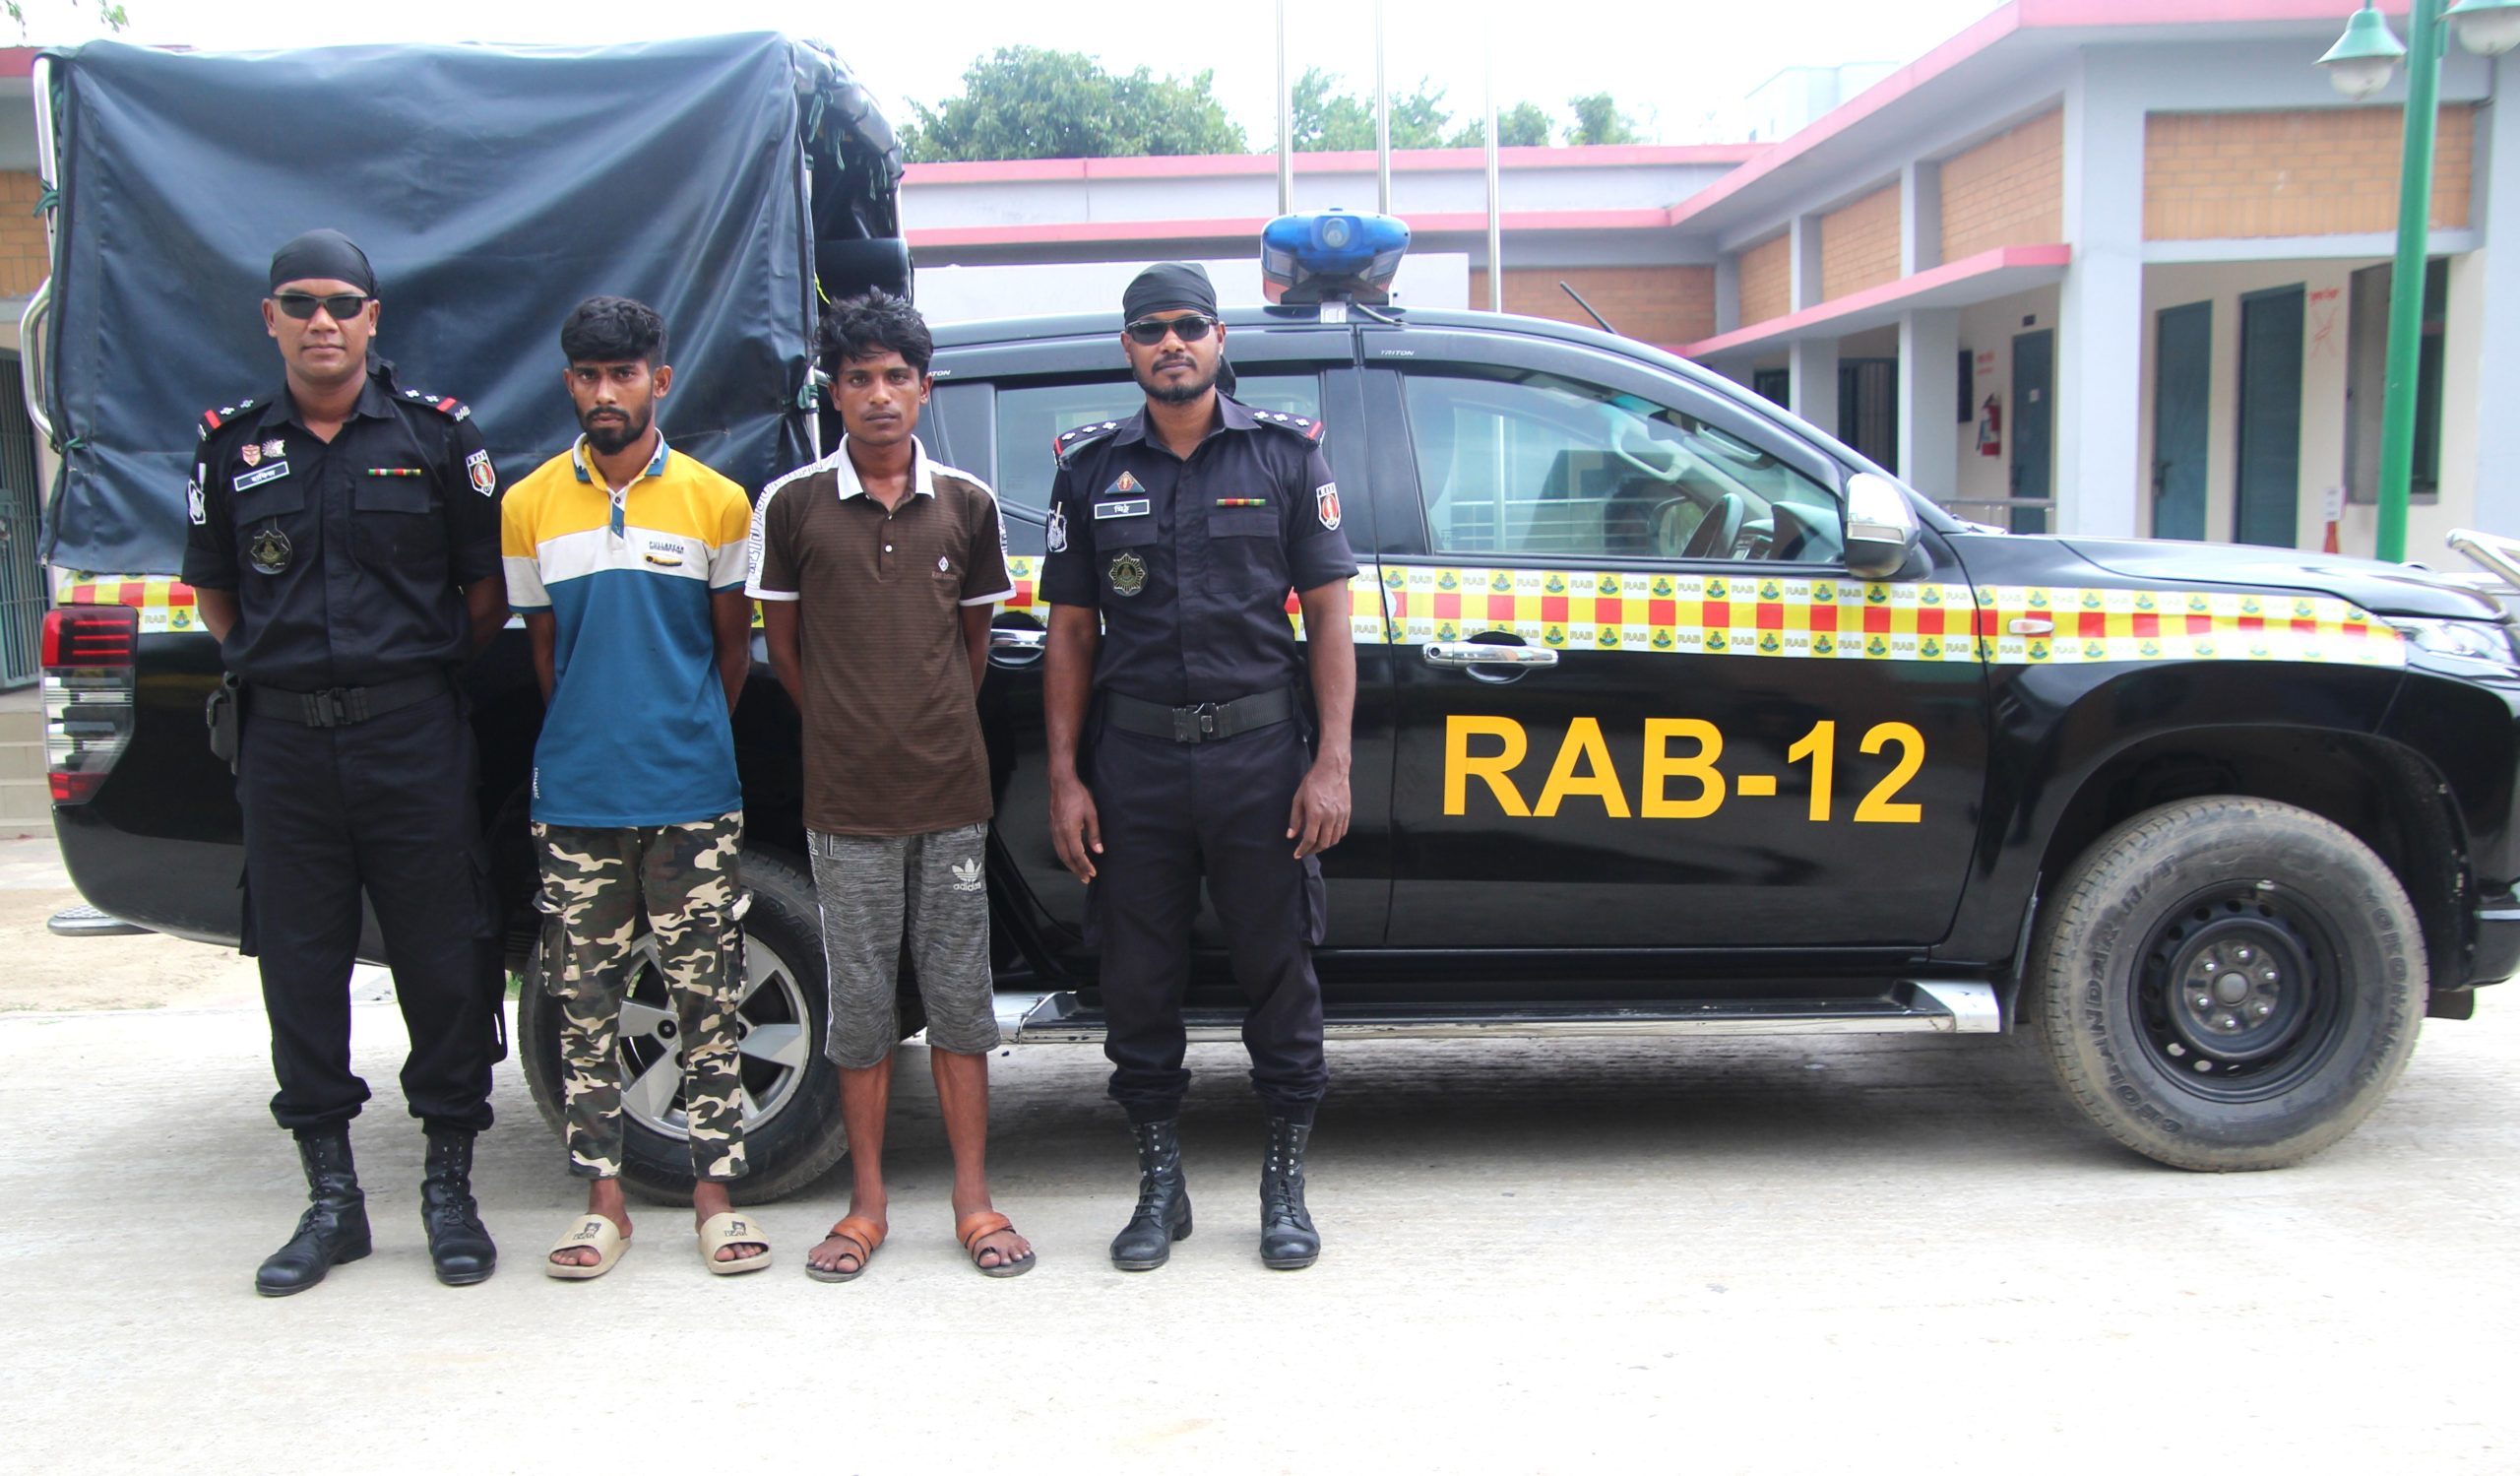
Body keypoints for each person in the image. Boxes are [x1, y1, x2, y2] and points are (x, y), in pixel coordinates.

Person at [183, 228, 507, 1296]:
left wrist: (399, 682)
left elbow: (482, 595)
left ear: (373, 318)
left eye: (340, 303)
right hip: (284, 747)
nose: (320, 320)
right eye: (299, 303)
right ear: (269, 319)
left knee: (444, 961)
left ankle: (448, 1190)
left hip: (412, 738)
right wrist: (279, 668)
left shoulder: (438, 436)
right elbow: (217, 592)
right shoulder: (230, 448)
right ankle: (332, 1200)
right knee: (300, 968)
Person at [1039, 263, 1357, 1272]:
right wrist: (1065, 777)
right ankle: (1158, 1184)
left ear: (1220, 338)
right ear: (1127, 347)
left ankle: (1283, 1186)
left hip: (1262, 762)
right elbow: (1070, 632)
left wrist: (1332, 762)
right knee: (1136, 979)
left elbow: (1330, 616)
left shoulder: (1286, 455)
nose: (1169, 342)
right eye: (1149, 329)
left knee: (1280, 972)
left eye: (1187, 325)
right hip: (1133, 763)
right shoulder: (1090, 469)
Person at [748, 289, 1034, 1282]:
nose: (879, 394)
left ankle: (972, 1198)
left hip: (950, 797)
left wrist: (925, 723)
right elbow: (783, 647)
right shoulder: (792, 505)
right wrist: (847, 724)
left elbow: (972, 644)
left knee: (959, 1002)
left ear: (924, 388)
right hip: (846, 804)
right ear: (834, 391)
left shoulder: (967, 504)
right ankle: (865, 1205)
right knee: (861, 1006)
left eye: (896, 376)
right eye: (859, 377)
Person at [499, 296, 767, 1279]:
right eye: (587, 375)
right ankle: (602, 1201)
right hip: (576, 798)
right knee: (582, 1002)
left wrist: (682, 732)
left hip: (692, 792)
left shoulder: (717, 501)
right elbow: (545, 654)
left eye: (623, 373)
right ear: (569, 383)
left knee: (708, 995)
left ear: (660, 378)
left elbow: (731, 649)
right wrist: (592, 734)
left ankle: (715, 1197)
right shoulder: (528, 504)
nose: (604, 392)